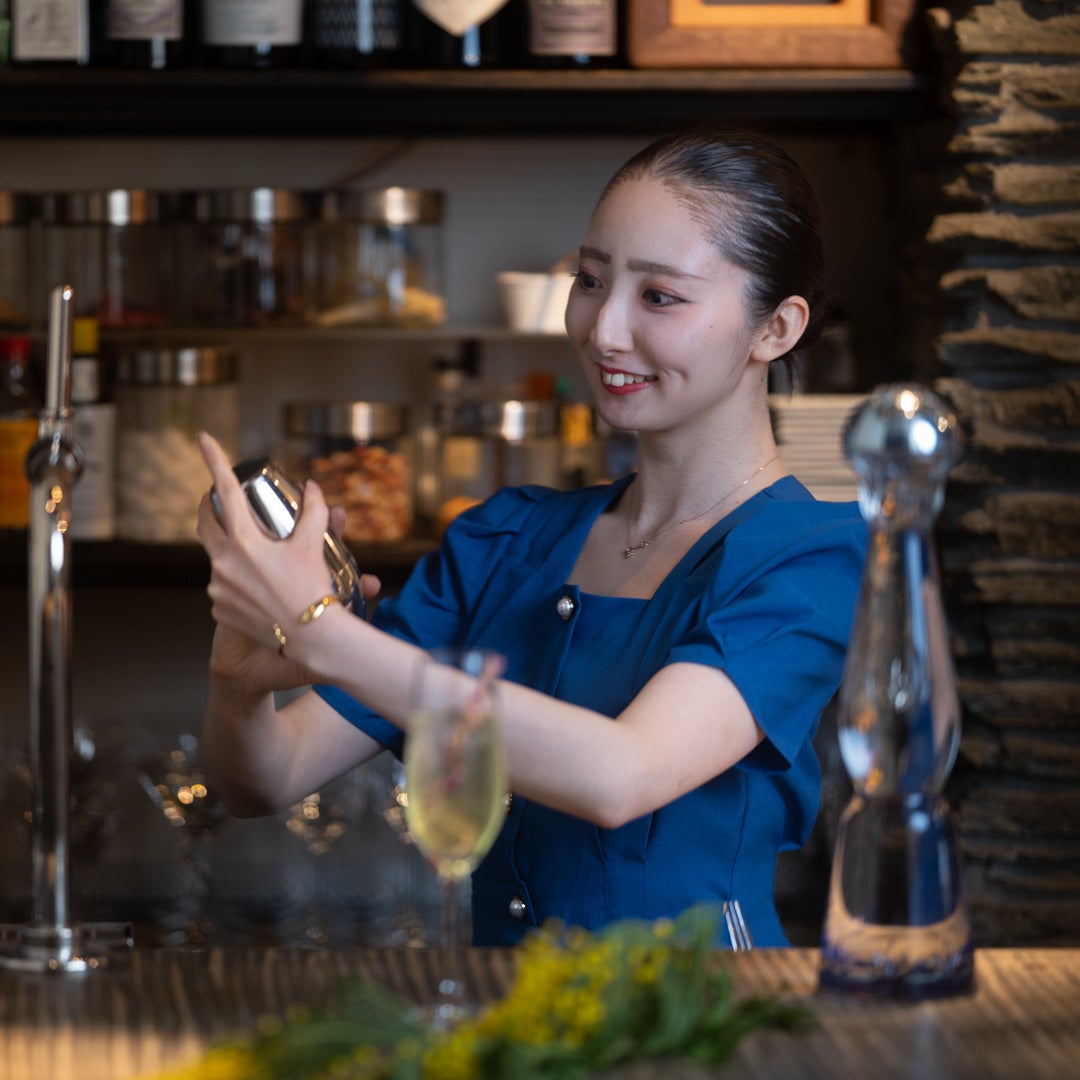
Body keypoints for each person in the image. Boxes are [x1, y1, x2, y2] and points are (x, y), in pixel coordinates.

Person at [196, 126, 867, 949]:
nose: (603, 329)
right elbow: (267, 779)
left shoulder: (810, 557)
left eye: (660, 296)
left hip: (696, 1013)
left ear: (777, 329)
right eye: (590, 280)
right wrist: (240, 680)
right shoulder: (504, 540)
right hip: (508, 1012)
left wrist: (322, 632)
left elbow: (622, 774)